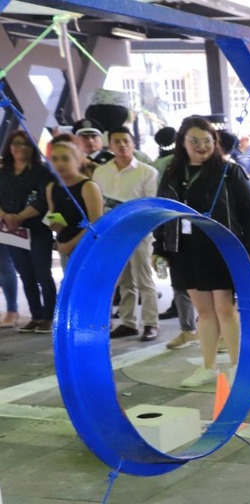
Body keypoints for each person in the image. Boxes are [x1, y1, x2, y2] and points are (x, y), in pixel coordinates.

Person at [155, 118, 250, 387]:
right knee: (203, 311)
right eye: (194, 141)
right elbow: (161, 214)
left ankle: (240, 368)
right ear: (182, 143)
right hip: (185, 251)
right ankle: (208, 367)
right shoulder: (171, 173)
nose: (202, 146)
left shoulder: (230, 171)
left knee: (224, 308)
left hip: (221, 248)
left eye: (207, 140)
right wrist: (160, 250)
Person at [93, 126, 161, 342]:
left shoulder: (147, 172)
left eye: (126, 141)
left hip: (139, 232)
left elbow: (152, 204)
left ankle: (151, 323)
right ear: (110, 145)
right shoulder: (101, 172)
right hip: (113, 233)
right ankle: (129, 323)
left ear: (133, 144)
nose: (122, 145)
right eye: (117, 141)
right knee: (123, 280)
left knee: (144, 279)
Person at [0, 130, 55, 331]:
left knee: (42, 273)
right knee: (25, 274)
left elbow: (43, 201)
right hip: (11, 232)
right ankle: (36, 315)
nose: (20, 148)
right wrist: (5, 216)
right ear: (9, 147)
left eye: (25, 144)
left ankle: (49, 316)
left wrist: (20, 217)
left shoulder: (43, 172)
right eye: (16, 143)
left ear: (32, 148)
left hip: (38, 230)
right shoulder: (3, 171)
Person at [44, 140, 103, 279]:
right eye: (55, 159)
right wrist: (54, 226)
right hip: (65, 247)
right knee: (70, 289)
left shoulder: (88, 187)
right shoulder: (51, 187)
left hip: (88, 247)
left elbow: (96, 223)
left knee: (87, 288)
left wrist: (71, 244)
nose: (59, 163)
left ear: (77, 161)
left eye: (65, 158)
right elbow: (54, 216)